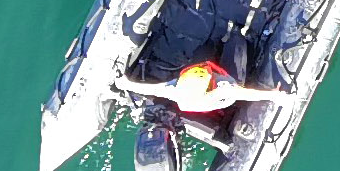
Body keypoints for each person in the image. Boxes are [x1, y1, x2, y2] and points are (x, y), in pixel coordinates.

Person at [120, 52, 292, 117]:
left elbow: (147, 88)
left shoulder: (174, 88)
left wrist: (124, 83)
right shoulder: (221, 90)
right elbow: (245, 94)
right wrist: (273, 95)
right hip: (222, 99)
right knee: (238, 59)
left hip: (198, 103)